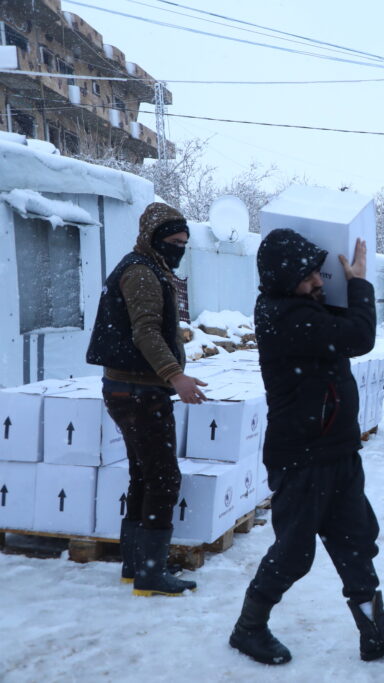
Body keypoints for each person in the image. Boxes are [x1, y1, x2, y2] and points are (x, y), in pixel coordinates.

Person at [229, 228, 384, 666]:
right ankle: (249, 627)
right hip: (301, 457)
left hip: (336, 451)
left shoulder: (305, 307)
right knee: (294, 553)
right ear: (284, 279)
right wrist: (357, 283)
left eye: (318, 273)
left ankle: (374, 631)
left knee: (356, 540)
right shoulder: (283, 315)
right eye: (307, 276)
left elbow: (342, 330)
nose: (318, 282)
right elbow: (358, 337)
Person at [86, 202, 207, 597]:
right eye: (173, 241)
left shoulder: (145, 266)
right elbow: (146, 332)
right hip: (138, 391)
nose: (179, 248)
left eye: (184, 242)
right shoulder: (141, 272)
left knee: (144, 473)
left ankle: (135, 565)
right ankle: (150, 573)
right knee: (163, 477)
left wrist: (171, 376)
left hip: (133, 387)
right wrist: (176, 376)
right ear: (154, 239)